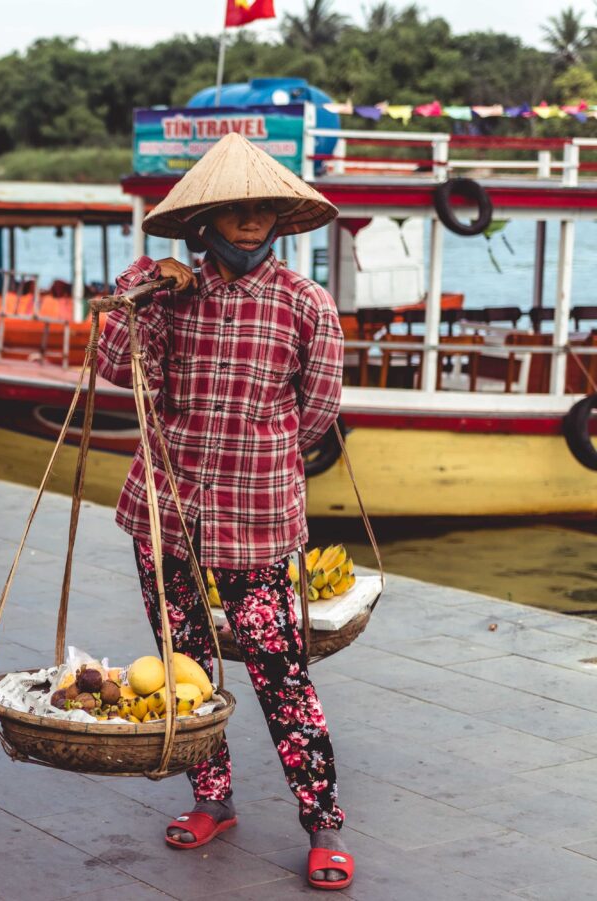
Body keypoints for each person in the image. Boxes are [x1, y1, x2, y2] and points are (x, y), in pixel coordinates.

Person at [97, 134, 352, 891]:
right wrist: (148, 285)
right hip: (164, 511)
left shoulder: (305, 303)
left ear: (278, 219)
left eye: (261, 210)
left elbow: (319, 413)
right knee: (184, 668)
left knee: (281, 671)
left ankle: (323, 816)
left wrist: (256, 454)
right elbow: (117, 368)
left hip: (259, 517)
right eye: (235, 210)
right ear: (204, 220)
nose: (250, 222)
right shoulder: (166, 291)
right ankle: (213, 796)